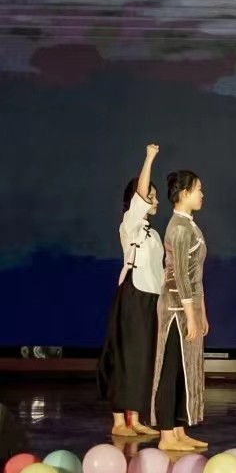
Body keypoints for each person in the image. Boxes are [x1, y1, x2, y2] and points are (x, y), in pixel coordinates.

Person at [98, 144, 164, 439]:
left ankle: (134, 417)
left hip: (150, 298)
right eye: (151, 195)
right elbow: (140, 195)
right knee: (126, 355)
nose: (155, 200)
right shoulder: (130, 225)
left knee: (142, 357)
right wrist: (149, 158)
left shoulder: (154, 234)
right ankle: (118, 421)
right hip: (133, 296)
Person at [150, 170, 209, 452]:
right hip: (175, 308)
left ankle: (178, 429)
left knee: (183, 371)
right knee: (171, 368)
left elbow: (196, 275)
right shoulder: (180, 228)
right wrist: (191, 314)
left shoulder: (189, 225)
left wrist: (201, 312)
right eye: (198, 189)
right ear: (184, 193)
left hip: (187, 306)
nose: (202, 194)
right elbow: (182, 277)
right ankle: (166, 434)